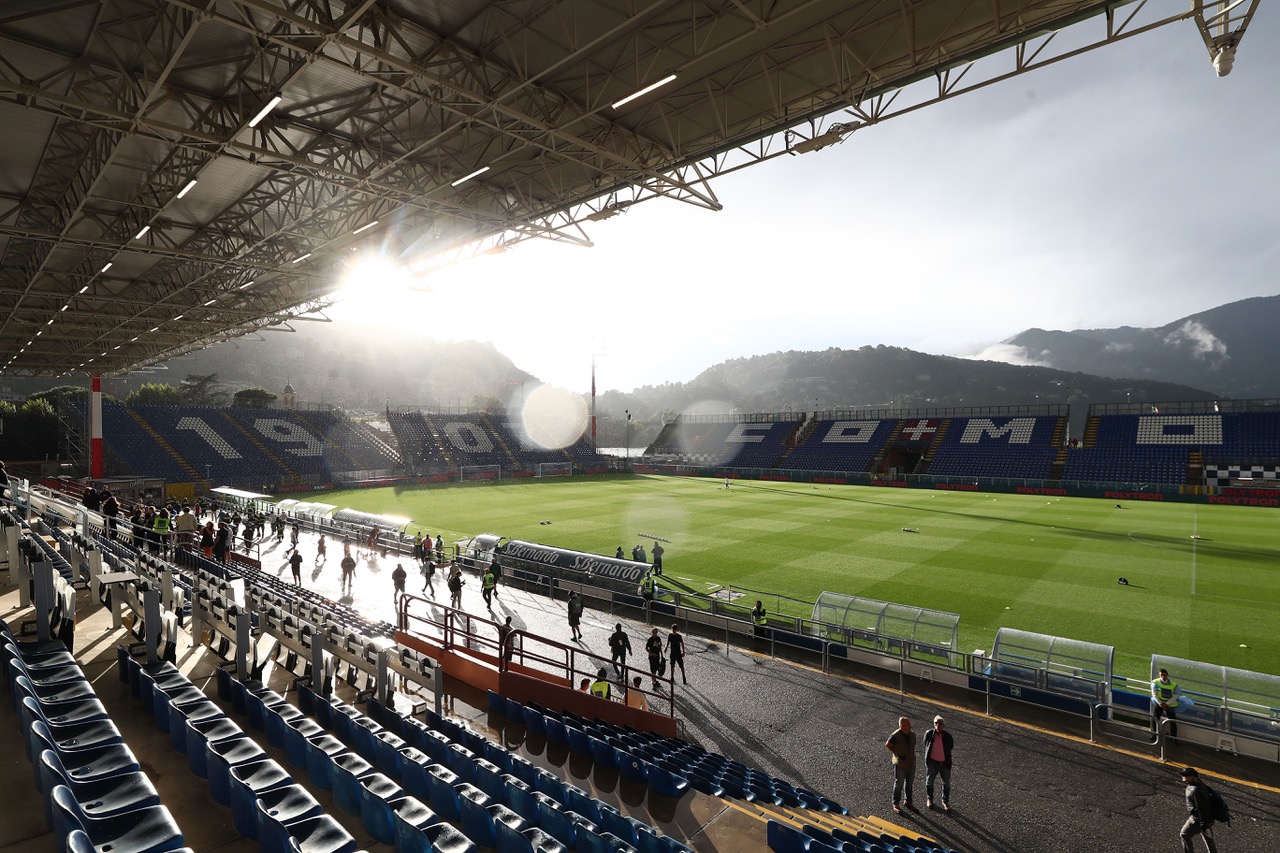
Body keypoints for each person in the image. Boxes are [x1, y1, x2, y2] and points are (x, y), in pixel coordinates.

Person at [1179, 767, 1219, 853]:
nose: (1183, 777)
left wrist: (1203, 824)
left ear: (1192, 777)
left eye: (1185, 776)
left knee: (1184, 834)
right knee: (1207, 837)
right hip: (1208, 819)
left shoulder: (1195, 790)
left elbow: (1201, 808)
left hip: (1197, 820)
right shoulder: (1201, 785)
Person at [885, 716, 918, 814]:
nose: (910, 726)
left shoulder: (912, 735)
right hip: (900, 764)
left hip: (911, 763)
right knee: (899, 784)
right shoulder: (895, 735)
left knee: (909, 783)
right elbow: (888, 745)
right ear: (901, 726)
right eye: (908, 724)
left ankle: (908, 801)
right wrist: (896, 754)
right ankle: (895, 803)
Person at [922, 715, 954, 811]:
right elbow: (926, 744)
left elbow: (950, 747)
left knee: (946, 784)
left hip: (944, 763)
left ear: (943, 725)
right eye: (935, 723)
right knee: (929, 782)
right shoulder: (928, 734)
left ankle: (945, 801)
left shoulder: (948, 736)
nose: (937, 725)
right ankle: (930, 799)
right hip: (932, 762)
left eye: (939, 723)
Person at [1152, 668, 1181, 738]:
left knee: (1172, 722)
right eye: (1161, 675)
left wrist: (1166, 704)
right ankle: (1155, 735)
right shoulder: (1155, 682)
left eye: (1164, 675)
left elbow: (1176, 696)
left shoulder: (1174, 685)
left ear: (1167, 675)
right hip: (1160, 704)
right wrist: (1161, 703)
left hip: (1169, 705)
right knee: (1155, 719)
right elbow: (1154, 694)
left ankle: (1174, 738)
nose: (1162, 677)